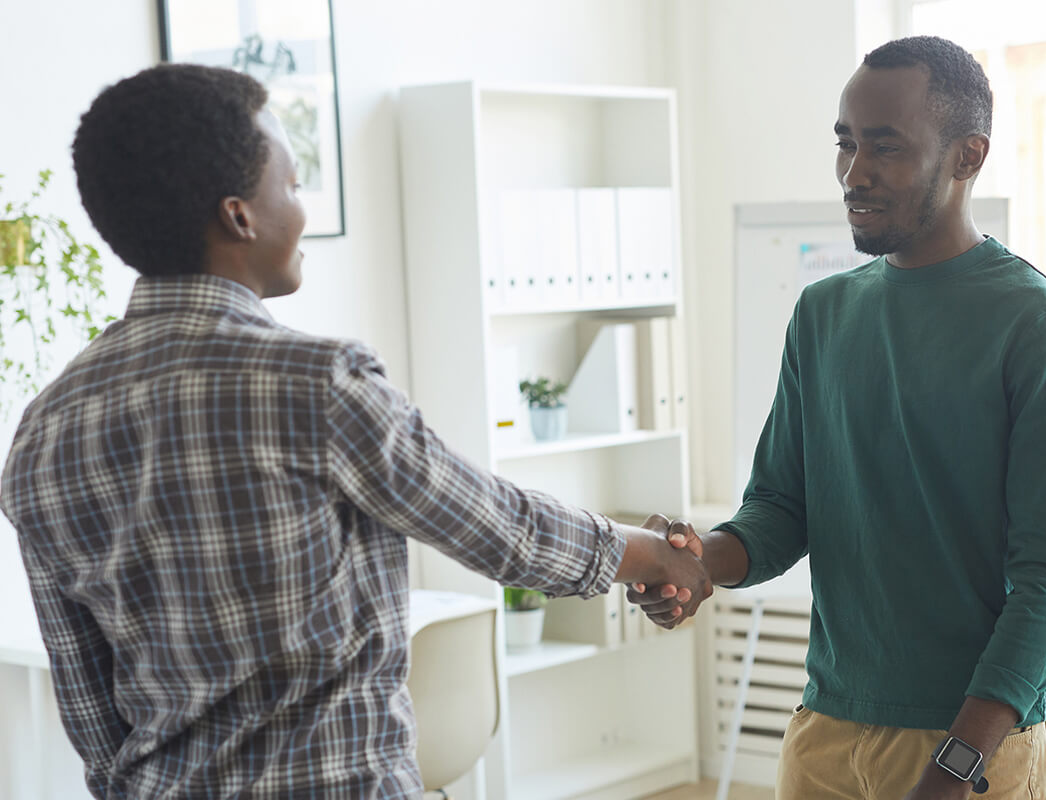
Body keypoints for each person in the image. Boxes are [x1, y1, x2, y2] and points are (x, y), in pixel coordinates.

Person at [0, 64, 708, 798]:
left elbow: (88, 710)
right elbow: (501, 529)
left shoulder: (41, 434)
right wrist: (655, 555)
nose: (303, 209)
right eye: (295, 185)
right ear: (239, 216)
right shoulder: (313, 383)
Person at [634, 35, 1046, 800]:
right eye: (846, 145)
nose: (855, 175)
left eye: (885, 149)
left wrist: (960, 759)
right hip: (826, 729)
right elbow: (780, 512)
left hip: (972, 742)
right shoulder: (824, 313)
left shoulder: (1042, 325)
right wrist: (694, 563)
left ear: (966, 156)